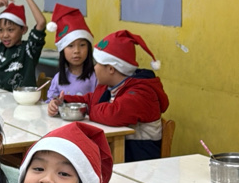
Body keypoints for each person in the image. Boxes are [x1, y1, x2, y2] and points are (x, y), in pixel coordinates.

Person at [48, 29, 169, 161]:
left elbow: (114, 114)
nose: (94, 68)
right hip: (119, 156)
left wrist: (85, 109)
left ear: (111, 69)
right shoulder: (107, 86)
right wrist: (63, 102)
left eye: (98, 64)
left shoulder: (141, 92)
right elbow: (90, 99)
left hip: (140, 161)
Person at [45, 3, 97, 101]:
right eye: (70, 46)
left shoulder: (96, 78)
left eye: (82, 45)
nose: (76, 51)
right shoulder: (58, 78)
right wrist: (52, 105)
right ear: (62, 50)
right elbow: (50, 101)